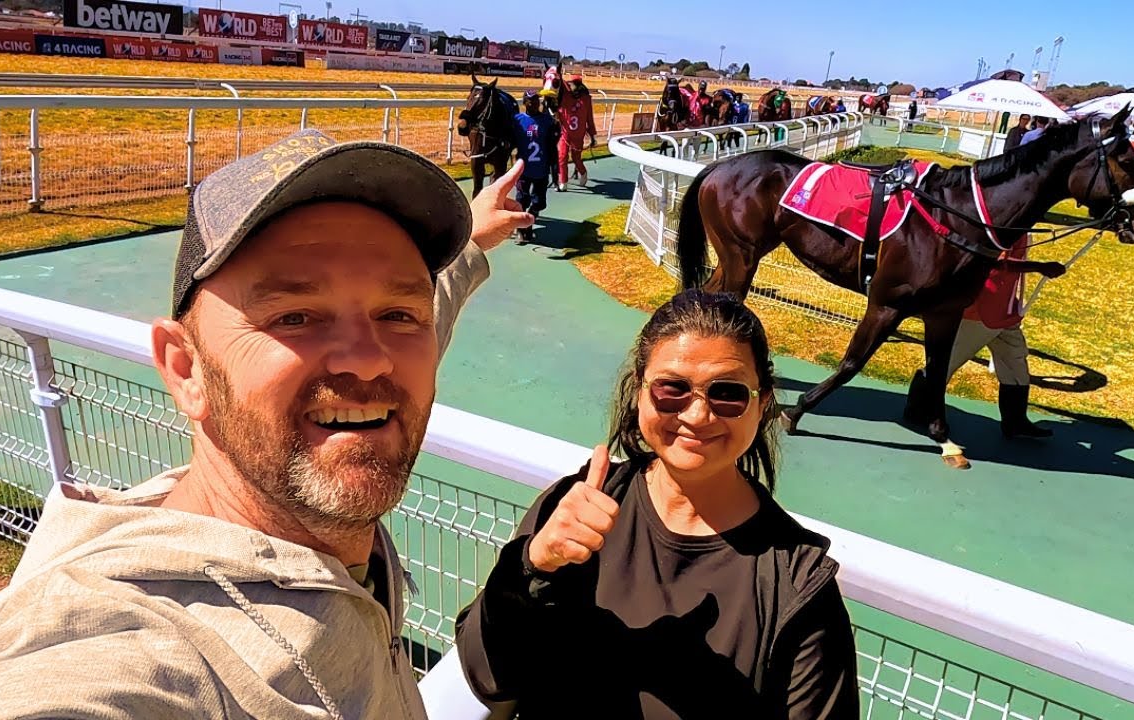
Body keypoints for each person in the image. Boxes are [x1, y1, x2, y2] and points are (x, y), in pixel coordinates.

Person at [0, 130, 534, 719]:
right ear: (186, 369)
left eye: (397, 312)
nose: (370, 357)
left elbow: (411, 333)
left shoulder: (304, 481)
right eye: (294, 316)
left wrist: (472, 239)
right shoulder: (130, 646)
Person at [457, 289, 859, 719]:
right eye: (673, 389)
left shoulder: (795, 586)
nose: (697, 415)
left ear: (761, 405)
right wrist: (533, 565)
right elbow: (488, 679)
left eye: (728, 393)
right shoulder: (576, 511)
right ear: (640, 391)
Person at [904, 237, 1066, 440]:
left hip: (1005, 309)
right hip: (981, 308)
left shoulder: (1020, 225)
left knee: (1015, 362)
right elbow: (993, 261)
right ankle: (917, 409)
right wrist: (1039, 267)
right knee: (947, 361)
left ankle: (1015, 421)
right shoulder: (1003, 223)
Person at [514, 91, 559, 244]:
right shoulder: (517, 120)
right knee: (521, 201)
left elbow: (553, 146)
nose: (534, 104)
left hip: (541, 170)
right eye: (530, 101)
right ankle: (521, 229)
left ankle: (528, 223)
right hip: (523, 170)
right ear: (524, 103)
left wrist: (555, 170)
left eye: (536, 101)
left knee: (539, 202)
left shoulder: (548, 121)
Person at [557, 73, 597, 191]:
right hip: (565, 134)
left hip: (578, 135)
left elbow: (589, 117)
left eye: (572, 84)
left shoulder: (586, 99)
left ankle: (583, 173)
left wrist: (592, 135)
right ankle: (563, 181)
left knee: (576, 158)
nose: (570, 86)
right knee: (562, 156)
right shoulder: (566, 97)